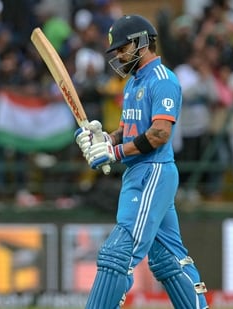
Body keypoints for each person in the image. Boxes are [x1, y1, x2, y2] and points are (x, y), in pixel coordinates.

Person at [74, 14, 208, 309]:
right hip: (138, 174)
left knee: (117, 254)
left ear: (142, 42)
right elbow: (128, 130)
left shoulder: (163, 80)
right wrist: (106, 140)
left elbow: (160, 133)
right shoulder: (133, 83)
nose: (119, 56)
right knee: (168, 258)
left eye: (123, 48)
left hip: (154, 172)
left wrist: (116, 153)